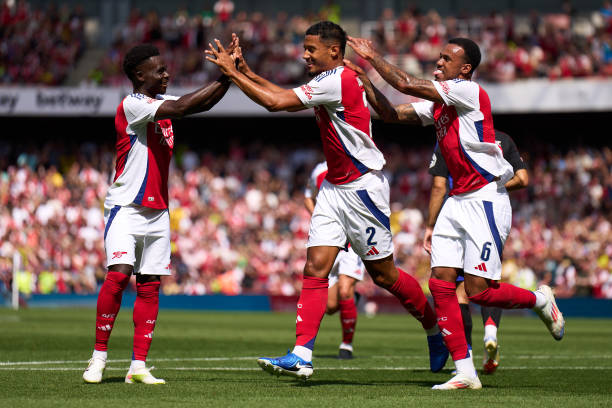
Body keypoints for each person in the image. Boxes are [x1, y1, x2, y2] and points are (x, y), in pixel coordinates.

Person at [206, 22, 448, 380]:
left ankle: (434, 329)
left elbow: (276, 103)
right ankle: (302, 354)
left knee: (384, 276)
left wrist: (232, 74)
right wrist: (245, 71)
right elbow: (282, 94)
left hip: (363, 189)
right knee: (315, 268)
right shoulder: (329, 78)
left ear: (334, 51)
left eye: (310, 49)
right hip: (335, 189)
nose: (304, 55)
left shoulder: (336, 80)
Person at [347, 35, 564, 389]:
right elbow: (389, 113)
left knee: (479, 291)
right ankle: (465, 371)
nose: (439, 63)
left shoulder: (469, 91)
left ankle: (540, 299)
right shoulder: (439, 106)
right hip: (456, 201)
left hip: (485, 199)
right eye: (439, 57)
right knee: (440, 283)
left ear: (465, 69)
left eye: (446, 59)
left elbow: (405, 83)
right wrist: (365, 82)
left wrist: (373, 58)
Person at [82, 41, 235, 384]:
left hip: (158, 211)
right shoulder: (133, 104)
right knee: (119, 274)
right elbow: (183, 107)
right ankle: (98, 358)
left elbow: (197, 106)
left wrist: (229, 77)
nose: (167, 74)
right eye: (160, 70)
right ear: (139, 75)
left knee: (150, 284)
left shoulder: (158, 105)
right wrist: (225, 75)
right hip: (126, 207)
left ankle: (138, 366)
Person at [425, 130, 529, 375]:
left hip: (456, 217)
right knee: (486, 282)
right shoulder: (503, 139)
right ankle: (490, 334)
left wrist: (430, 225)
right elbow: (523, 179)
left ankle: (466, 356)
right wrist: (495, 187)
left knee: (457, 290)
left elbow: (439, 186)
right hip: (491, 213)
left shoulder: (447, 138)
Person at [305, 161, 364, 359]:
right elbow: (308, 197)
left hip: (351, 237)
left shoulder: (356, 162)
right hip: (329, 238)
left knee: (345, 289)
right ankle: (351, 300)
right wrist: (323, 221)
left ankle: (346, 345)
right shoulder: (319, 170)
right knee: (330, 307)